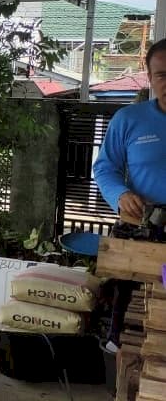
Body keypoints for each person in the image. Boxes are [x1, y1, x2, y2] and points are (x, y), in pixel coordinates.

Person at [94, 37, 166, 351]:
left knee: (162, 310)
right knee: (125, 321)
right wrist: (120, 195)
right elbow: (104, 168)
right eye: (162, 75)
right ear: (150, 78)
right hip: (139, 231)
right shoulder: (129, 120)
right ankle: (121, 359)